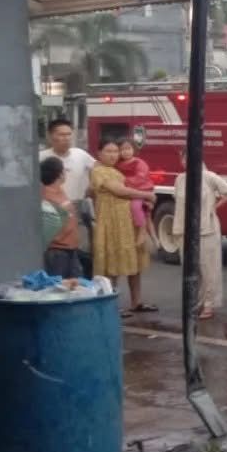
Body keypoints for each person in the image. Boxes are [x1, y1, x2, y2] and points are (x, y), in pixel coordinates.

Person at [91, 139, 157, 315]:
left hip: (129, 222)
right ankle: (111, 302)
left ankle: (137, 302)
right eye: (109, 151)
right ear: (99, 153)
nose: (113, 155)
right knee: (112, 263)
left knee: (134, 262)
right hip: (111, 222)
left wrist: (144, 200)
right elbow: (120, 190)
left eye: (115, 151)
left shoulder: (118, 169)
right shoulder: (99, 171)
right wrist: (147, 195)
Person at [172, 147, 227, 319]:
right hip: (184, 229)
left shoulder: (208, 177)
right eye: (183, 159)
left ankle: (209, 304)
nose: (186, 162)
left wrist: (212, 208)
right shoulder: (180, 179)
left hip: (206, 229)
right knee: (191, 269)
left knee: (208, 268)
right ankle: (196, 302)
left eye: (189, 158)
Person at [39, 118, 96, 277]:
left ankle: (84, 286)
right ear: (51, 136)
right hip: (52, 210)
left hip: (78, 207)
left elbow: (98, 169)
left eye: (69, 134)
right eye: (61, 134)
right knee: (57, 256)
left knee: (83, 255)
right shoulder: (41, 157)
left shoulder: (81, 154)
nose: (66, 138)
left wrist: (93, 185)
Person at [40, 157, 83, 279]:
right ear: (59, 174)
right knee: (58, 287)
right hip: (57, 252)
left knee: (77, 286)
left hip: (71, 249)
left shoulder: (59, 190)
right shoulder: (45, 196)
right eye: (64, 170)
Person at [117, 138, 155, 237]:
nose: (126, 152)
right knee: (146, 216)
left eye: (128, 149)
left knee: (136, 207)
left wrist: (125, 181)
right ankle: (153, 238)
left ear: (133, 149)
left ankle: (142, 229)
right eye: (122, 150)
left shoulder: (139, 163)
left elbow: (141, 178)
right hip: (129, 191)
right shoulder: (118, 164)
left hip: (142, 190)